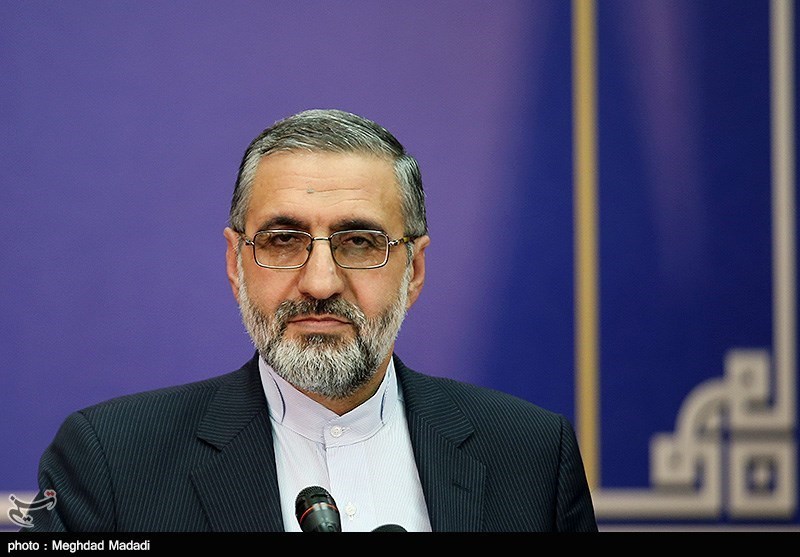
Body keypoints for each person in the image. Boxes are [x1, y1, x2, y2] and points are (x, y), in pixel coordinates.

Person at [23, 109, 597, 532]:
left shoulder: (530, 455)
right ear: (236, 263)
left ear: (415, 270)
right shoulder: (112, 462)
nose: (320, 283)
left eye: (359, 242)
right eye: (282, 240)